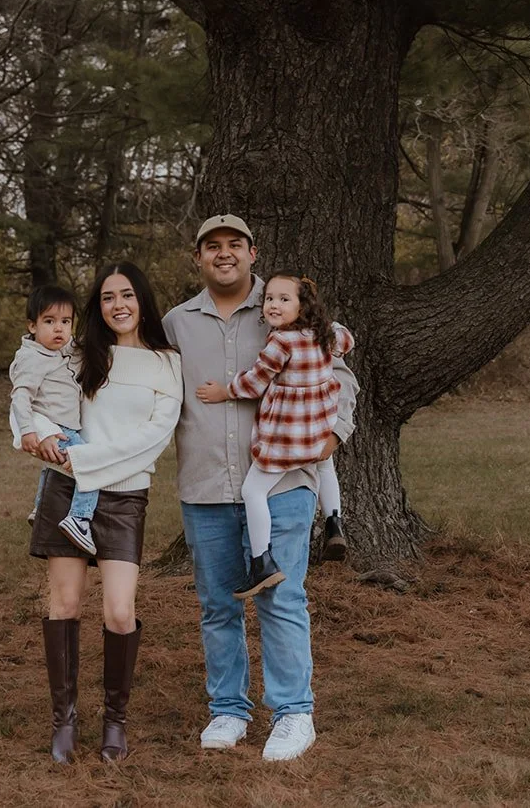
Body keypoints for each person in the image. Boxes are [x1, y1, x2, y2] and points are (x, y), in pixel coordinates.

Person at [163, 215, 358, 763]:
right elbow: (142, 383)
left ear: (253, 252)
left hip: (283, 480)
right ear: (198, 257)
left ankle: (294, 713)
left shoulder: (285, 308)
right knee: (217, 605)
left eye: (234, 245)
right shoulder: (176, 323)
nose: (224, 254)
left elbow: (340, 374)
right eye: (212, 247)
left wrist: (334, 434)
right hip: (205, 484)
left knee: (282, 596)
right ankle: (228, 709)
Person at [27, 262, 182, 764]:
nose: (119, 305)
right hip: (67, 490)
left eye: (128, 295)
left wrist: (85, 459)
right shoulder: (77, 354)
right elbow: (30, 392)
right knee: (65, 604)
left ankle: (115, 720)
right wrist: (32, 435)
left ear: (143, 301)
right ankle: (64, 721)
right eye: (109, 297)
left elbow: (153, 439)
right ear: (98, 306)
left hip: (124, 497)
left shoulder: (166, 363)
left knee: (119, 610)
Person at [196, 272, 354, 598]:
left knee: (254, 491)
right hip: (317, 433)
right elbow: (347, 339)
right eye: (269, 299)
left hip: (286, 439)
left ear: (302, 306)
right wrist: (334, 327)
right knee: (325, 467)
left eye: (284, 300)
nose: (274, 305)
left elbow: (256, 381)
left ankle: (261, 561)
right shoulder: (327, 336)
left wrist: (225, 390)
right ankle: (334, 523)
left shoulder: (282, 342)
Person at [8, 285, 100, 553]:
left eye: (65, 322)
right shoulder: (32, 358)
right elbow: (20, 397)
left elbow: (79, 349)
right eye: (49, 321)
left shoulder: (58, 351)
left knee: (55, 470)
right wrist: (28, 431)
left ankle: (42, 508)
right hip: (56, 428)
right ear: (33, 326)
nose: (58, 329)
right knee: (90, 465)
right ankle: (79, 518)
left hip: (65, 426)